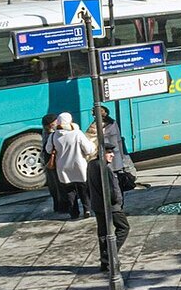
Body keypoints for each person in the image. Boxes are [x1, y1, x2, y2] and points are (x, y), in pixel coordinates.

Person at [86, 143, 130, 273]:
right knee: (123, 227)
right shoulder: (104, 168)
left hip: (97, 205)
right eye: (109, 152)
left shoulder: (91, 165)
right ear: (101, 153)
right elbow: (111, 190)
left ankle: (105, 263)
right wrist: (117, 201)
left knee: (103, 233)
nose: (112, 155)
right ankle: (110, 255)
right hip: (111, 206)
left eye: (112, 152)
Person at [45, 113, 95, 219]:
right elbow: (88, 149)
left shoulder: (53, 135)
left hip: (63, 168)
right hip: (79, 166)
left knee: (69, 191)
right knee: (83, 189)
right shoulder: (77, 133)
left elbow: (48, 150)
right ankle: (87, 209)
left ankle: (74, 213)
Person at [41, 114, 68, 214]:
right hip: (53, 161)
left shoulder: (45, 132)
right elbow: (49, 149)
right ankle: (63, 206)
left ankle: (57, 206)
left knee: (53, 185)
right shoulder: (53, 134)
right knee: (59, 184)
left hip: (48, 162)